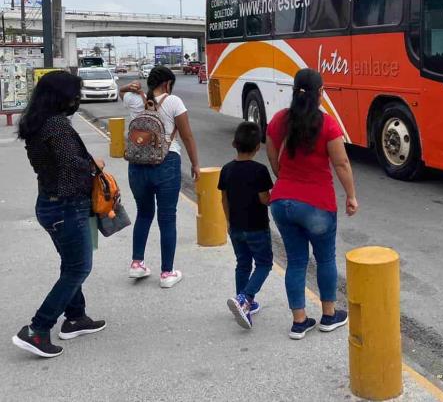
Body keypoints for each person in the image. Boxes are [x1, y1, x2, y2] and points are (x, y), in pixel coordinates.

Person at [13, 71, 106, 358]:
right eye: (73, 94)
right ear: (59, 96)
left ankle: (76, 317)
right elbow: (69, 163)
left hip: (50, 203)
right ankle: (38, 329)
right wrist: (95, 165)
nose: (76, 100)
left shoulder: (37, 122)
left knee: (71, 263)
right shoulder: (56, 124)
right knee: (79, 267)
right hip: (67, 206)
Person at [266, 68, 359, 340]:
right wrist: (351, 195)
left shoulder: (279, 120)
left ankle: (299, 322)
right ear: (321, 92)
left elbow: (272, 154)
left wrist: (283, 178)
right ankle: (329, 315)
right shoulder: (327, 124)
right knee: (325, 259)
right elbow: (341, 163)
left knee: (296, 261)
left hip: (282, 202)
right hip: (317, 204)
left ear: (294, 90)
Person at [121, 66, 200, 288]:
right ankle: (167, 273)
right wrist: (195, 164)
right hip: (166, 162)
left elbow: (121, 93)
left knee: (144, 213)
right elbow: (187, 136)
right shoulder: (174, 101)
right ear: (167, 84)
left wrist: (129, 86)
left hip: (137, 165)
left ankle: (137, 264)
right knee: (167, 218)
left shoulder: (135, 100)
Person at [219, 122, 274, 330]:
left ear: (234, 143)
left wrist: (228, 221)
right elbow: (264, 199)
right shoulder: (260, 171)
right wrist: (273, 197)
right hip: (257, 227)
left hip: (235, 227)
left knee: (242, 263)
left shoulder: (226, 170)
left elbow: (223, 199)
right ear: (257, 147)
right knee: (264, 264)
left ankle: (242, 301)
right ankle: (246, 298)